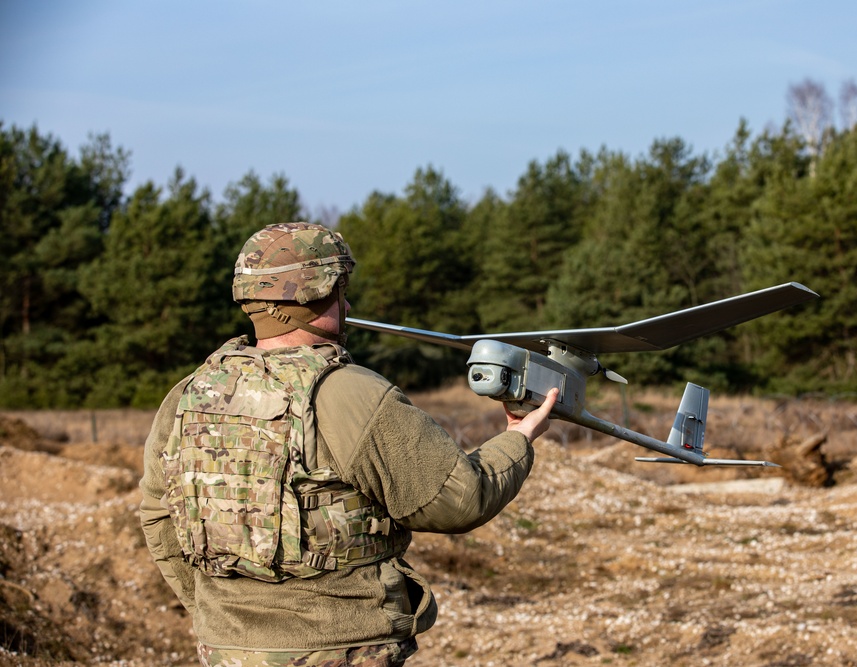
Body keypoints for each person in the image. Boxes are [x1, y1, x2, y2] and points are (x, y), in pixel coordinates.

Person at [139, 221, 558, 667]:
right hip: (341, 649)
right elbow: (460, 498)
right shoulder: (350, 393)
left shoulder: (189, 394)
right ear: (314, 293)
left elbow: (158, 516)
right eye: (340, 289)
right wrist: (518, 437)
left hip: (224, 650)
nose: (349, 302)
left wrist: (222, 618)